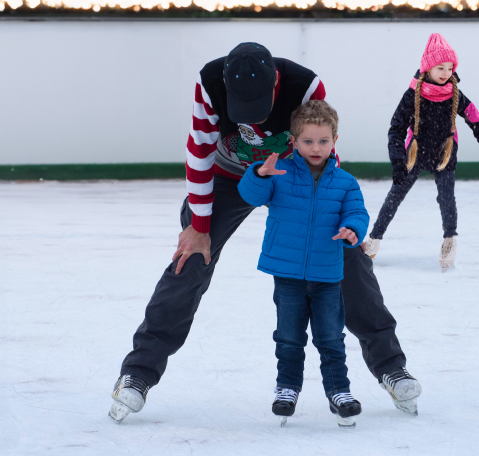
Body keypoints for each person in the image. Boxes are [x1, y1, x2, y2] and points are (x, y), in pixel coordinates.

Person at [108, 42, 421, 424]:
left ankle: (391, 366)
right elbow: (200, 151)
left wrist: (332, 209)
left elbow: (322, 145)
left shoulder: (304, 86)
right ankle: (138, 374)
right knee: (190, 258)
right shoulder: (209, 82)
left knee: (347, 256)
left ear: (275, 83)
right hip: (227, 177)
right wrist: (200, 226)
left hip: (293, 176)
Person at [238, 100, 369, 428]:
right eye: (308, 141)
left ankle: (339, 391)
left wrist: (353, 228)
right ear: (294, 141)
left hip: (327, 275)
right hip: (288, 274)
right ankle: (287, 389)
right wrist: (259, 173)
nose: (316, 147)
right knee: (288, 337)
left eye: (323, 141)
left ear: (334, 140)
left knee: (330, 338)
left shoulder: (345, 183)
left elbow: (357, 213)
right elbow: (251, 195)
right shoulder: (278, 174)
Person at [363, 33, 479, 271]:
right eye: (440, 67)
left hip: (444, 154)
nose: (446, 72)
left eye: (450, 67)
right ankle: (374, 239)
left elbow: (477, 121)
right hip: (415, 154)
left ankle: (450, 240)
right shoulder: (412, 94)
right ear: (427, 68)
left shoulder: (455, 94)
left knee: (447, 198)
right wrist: (398, 162)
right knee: (395, 196)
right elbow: (395, 128)